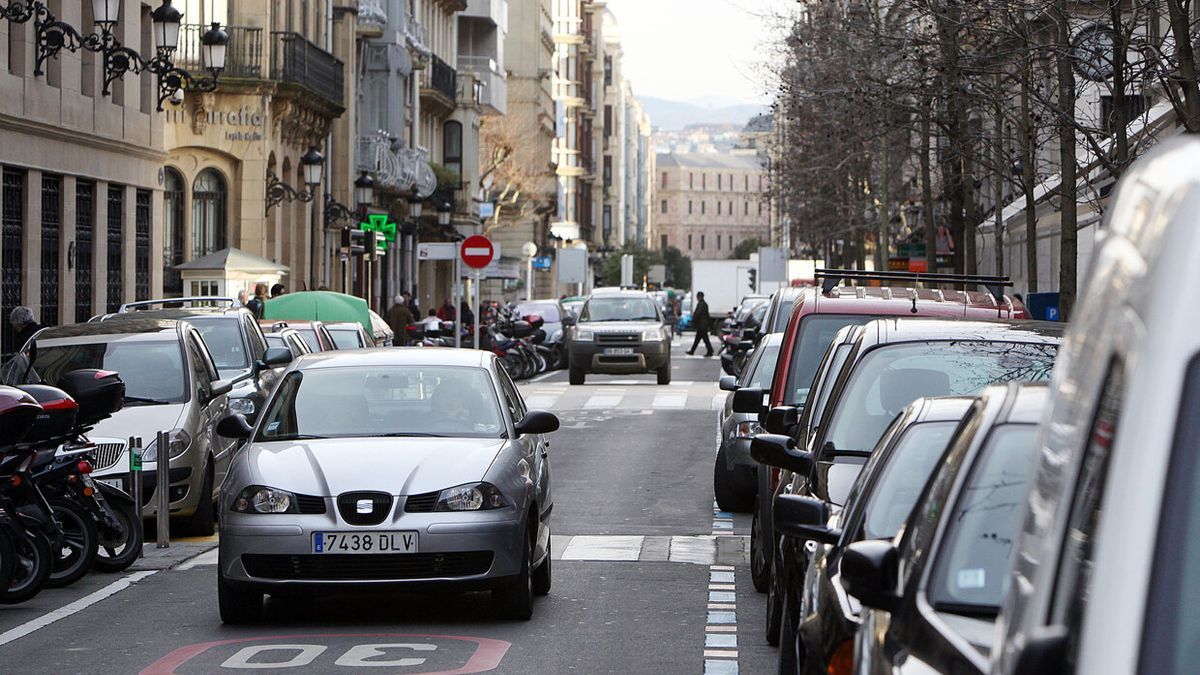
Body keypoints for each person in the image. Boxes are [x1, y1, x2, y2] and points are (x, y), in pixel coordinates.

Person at [687, 291, 713, 357]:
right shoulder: (704, 304)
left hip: (702, 325)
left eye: (697, 297)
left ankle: (710, 351)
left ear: (700, 297)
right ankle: (692, 351)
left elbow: (697, 314)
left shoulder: (701, 304)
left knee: (704, 339)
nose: (697, 298)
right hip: (703, 325)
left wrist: (693, 320)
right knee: (699, 339)